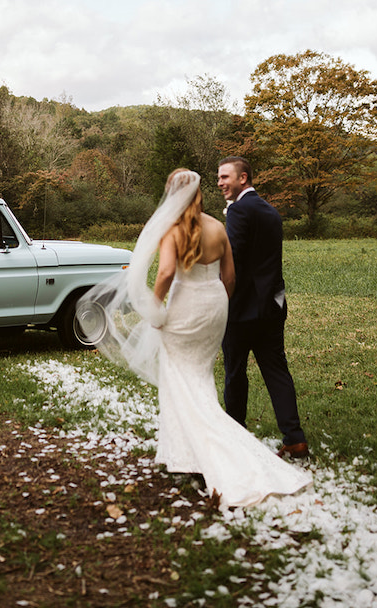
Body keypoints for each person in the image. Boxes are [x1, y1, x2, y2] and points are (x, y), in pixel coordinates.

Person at [76, 169, 311, 508]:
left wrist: (154, 307)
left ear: (172, 195)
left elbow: (168, 273)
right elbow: (229, 277)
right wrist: (219, 303)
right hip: (215, 304)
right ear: (199, 193)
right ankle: (185, 452)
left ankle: (202, 449)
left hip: (186, 304)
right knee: (198, 374)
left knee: (180, 374)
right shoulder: (218, 226)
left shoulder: (173, 230)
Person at [216, 156, 309, 459]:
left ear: (243, 178)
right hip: (272, 305)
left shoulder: (240, 211)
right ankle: (295, 438)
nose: (220, 183)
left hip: (242, 309)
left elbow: (231, 258)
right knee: (276, 370)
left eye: (225, 177)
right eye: (218, 178)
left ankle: (234, 432)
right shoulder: (270, 211)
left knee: (234, 372)